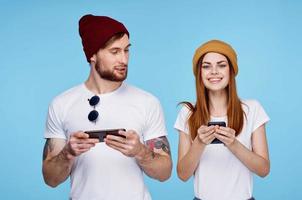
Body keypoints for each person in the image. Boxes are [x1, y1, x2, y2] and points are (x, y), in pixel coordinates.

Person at [42, 14, 172, 200]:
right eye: (115, 52)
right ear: (93, 55)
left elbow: (164, 173)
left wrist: (140, 151)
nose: (124, 60)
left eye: (127, 50)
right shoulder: (61, 104)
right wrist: (68, 153)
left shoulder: (147, 102)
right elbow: (50, 179)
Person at [174, 40, 270, 200]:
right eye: (206, 66)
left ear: (231, 70)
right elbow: (183, 174)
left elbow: (264, 169)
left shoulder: (252, 109)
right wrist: (199, 143)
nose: (214, 71)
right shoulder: (188, 113)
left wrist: (233, 144)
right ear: (199, 73)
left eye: (221, 65)